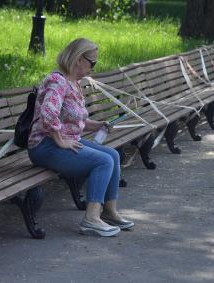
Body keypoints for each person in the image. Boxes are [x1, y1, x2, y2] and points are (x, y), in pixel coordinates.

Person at [27, 38, 134, 237]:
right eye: (92, 63)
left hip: (62, 140)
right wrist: (60, 140)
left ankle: (109, 212)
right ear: (78, 59)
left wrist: (99, 125)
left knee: (112, 155)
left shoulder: (73, 83)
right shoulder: (57, 81)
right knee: (102, 162)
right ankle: (91, 219)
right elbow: (48, 113)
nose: (93, 68)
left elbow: (73, 120)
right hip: (44, 145)